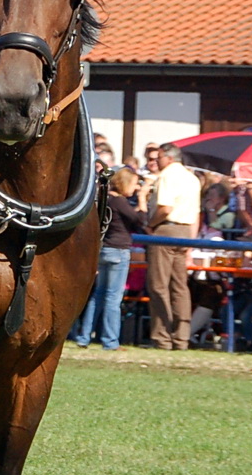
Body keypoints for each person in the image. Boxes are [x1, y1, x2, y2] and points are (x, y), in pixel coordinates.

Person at [72, 167, 147, 349]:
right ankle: (110, 340)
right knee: (113, 298)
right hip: (118, 251)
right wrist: (143, 200)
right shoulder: (120, 201)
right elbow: (140, 221)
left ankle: (84, 337)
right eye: (134, 183)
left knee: (97, 296)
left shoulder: (106, 199)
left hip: (104, 249)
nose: (136, 188)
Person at [143, 142, 200, 350]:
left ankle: (162, 336)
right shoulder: (192, 178)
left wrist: (150, 225)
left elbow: (166, 208)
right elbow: (195, 214)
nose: (156, 161)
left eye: (159, 157)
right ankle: (181, 337)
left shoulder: (167, 176)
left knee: (158, 284)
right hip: (185, 232)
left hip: (165, 230)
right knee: (180, 286)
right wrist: (191, 243)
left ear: (169, 158)